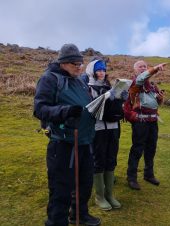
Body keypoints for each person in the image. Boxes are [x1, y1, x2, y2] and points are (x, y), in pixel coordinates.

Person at [34, 44, 101, 226]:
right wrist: (65, 112)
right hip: (62, 144)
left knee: (85, 183)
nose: (79, 67)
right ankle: (57, 221)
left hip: (84, 140)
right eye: (74, 64)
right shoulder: (50, 79)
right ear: (63, 63)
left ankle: (79, 214)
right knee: (61, 188)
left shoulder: (79, 80)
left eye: (81, 63)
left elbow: (85, 105)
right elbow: (40, 109)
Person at [85, 59, 128, 211]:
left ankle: (109, 195)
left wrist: (122, 96)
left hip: (113, 127)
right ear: (92, 71)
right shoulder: (88, 88)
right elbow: (90, 108)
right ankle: (99, 196)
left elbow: (117, 106)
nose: (102, 72)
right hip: (98, 129)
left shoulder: (110, 86)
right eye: (98, 70)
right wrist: (105, 96)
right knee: (99, 160)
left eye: (103, 70)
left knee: (111, 159)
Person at [124, 60, 166, 190]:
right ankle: (131, 177)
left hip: (153, 121)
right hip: (140, 122)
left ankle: (148, 174)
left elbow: (156, 104)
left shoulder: (152, 86)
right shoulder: (136, 83)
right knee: (137, 149)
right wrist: (156, 69)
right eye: (140, 67)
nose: (143, 68)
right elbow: (143, 77)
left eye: (145, 66)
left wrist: (159, 99)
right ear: (135, 70)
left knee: (151, 148)